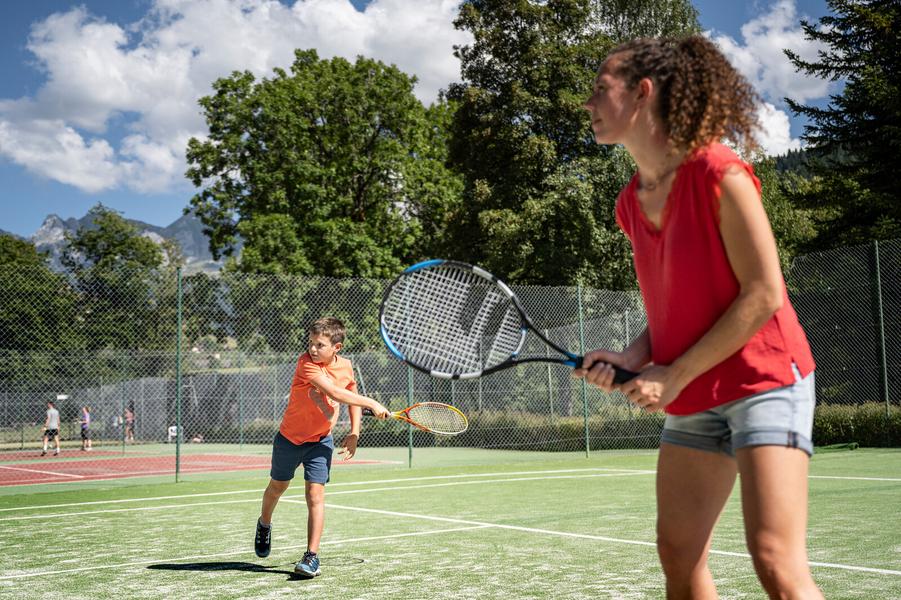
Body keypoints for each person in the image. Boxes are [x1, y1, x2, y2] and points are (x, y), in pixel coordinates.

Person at [577, 36, 823, 599]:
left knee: (775, 561)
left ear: (642, 93)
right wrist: (634, 357)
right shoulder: (628, 202)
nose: (588, 104)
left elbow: (763, 295)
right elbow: (676, 305)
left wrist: (671, 374)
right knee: (679, 557)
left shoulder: (720, 173)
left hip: (765, 381)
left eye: (600, 90)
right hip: (695, 392)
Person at [254, 317, 389, 578]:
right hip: (289, 439)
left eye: (320, 345)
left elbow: (352, 399)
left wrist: (354, 432)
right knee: (277, 488)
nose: (313, 349)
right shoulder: (306, 364)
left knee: (315, 495)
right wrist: (372, 401)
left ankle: (311, 556)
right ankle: (264, 524)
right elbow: (338, 394)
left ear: (336, 348)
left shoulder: (346, 367)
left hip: (320, 442)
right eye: (311, 343)